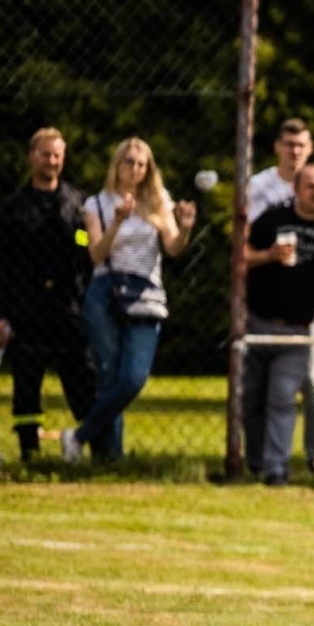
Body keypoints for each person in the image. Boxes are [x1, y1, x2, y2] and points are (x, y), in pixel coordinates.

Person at [61, 138, 195, 463]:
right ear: (117, 164)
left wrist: (186, 227)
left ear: (148, 169)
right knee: (109, 376)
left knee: (133, 377)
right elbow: (95, 254)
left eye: (141, 163)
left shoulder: (159, 200)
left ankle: (78, 436)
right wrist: (118, 221)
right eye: (128, 162)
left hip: (145, 292)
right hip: (105, 291)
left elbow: (174, 248)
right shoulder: (96, 204)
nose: (134, 169)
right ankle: (112, 458)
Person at [243, 164, 314, 485]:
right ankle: (255, 461)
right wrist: (268, 256)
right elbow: (241, 254)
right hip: (258, 321)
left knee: (281, 396)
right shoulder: (272, 219)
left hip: (299, 329)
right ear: (296, 189)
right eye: (310, 186)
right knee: (251, 398)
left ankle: (276, 469)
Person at [0, 127, 97, 461]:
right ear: (31, 157)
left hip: (67, 307)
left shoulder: (77, 204)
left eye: (57, 155)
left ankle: (90, 445)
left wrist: (79, 243)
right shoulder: (12, 209)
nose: (52, 161)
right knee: (26, 382)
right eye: (45, 154)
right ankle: (29, 454)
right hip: (26, 307)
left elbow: (87, 251)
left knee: (81, 378)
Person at [248, 118, 314, 478]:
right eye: (289, 145)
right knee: (258, 392)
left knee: (312, 379)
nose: (295, 152)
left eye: (301, 145)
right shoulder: (260, 186)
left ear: (310, 148)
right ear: (277, 147)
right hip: (266, 295)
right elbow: (249, 237)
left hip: (303, 305)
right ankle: (261, 460)